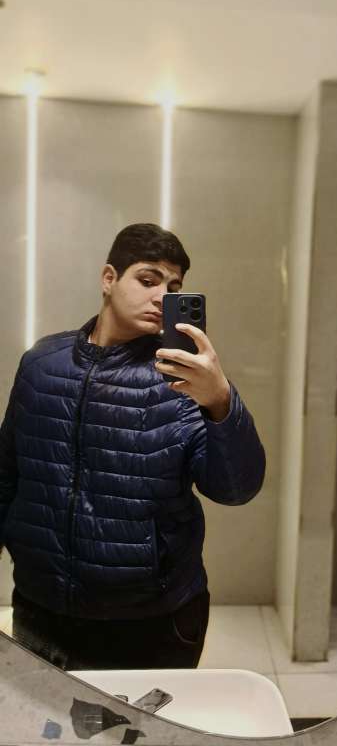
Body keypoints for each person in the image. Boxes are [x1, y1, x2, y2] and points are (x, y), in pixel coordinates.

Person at [0, 223, 265, 670]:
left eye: (173, 287)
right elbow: (7, 472)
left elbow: (235, 489)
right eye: (147, 280)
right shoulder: (41, 364)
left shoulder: (180, 382)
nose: (162, 296)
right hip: (41, 608)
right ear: (109, 279)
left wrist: (220, 401)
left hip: (152, 620)